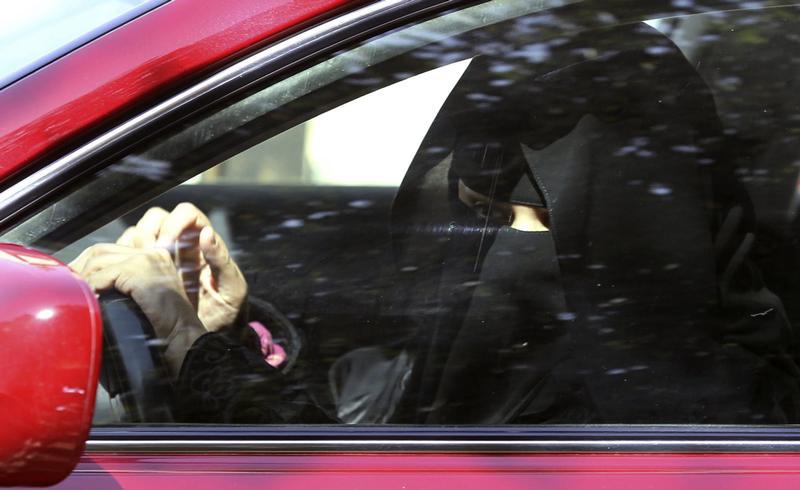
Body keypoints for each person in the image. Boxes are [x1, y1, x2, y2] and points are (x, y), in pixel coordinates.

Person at [71, 17, 800, 424]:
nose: (477, 245)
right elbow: (369, 434)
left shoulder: (682, 431)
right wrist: (229, 329)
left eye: (535, 220)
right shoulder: (468, 385)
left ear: (634, 233)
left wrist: (191, 349)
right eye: (471, 211)